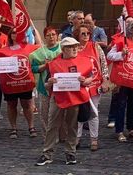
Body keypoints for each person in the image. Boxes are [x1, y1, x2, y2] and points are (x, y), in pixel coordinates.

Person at [35, 37, 94, 166]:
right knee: (52, 126)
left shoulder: (84, 61)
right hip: (58, 98)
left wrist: (86, 81)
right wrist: (49, 83)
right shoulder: (54, 63)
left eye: (76, 46)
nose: (74, 49)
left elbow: (91, 78)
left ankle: (70, 152)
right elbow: (46, 85)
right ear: (64, 49)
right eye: (71, 47)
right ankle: (47, 153)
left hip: (75, 98)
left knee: (72, 126)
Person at [107, 20, 133, 142]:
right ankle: (119, 130)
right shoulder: (121, 42)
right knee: (121, 105)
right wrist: (121, 54)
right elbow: (110, 55)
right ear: (130, 29)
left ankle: (131, 129)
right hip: (122, 78)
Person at [0, 28, 37, 139]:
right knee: (11, 105)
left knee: (27, 105)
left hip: (25, 82)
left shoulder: (27, 47)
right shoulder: (3, 50)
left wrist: (35, 30)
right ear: (10, 35)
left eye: (18, 33)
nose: (15, 34)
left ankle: (31, 126)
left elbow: (40, 46)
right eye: (13, 32)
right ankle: (13, 128)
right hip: (10, 83)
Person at [75, 25, 108, 151]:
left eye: (88, 33)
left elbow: (103, 64)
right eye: (83, 33)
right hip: (79, 85)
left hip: (94, 84)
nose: (86, 35)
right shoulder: (74, 48)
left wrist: (105, 80)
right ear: (77, 34)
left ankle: (94, 139)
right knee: (78, 112)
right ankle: (77, 138)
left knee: (93, 112)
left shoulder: (95, 46)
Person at [30, 26, 61, 132]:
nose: (51, 37)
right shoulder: (39, 53)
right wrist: (44, 66)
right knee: (45, 112)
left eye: (53, 34)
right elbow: (33, 68)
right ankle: (48, 135)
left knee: (62, 112)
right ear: (44, 37)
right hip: (44, 87)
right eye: (48, 35)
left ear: (57, 36)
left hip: (62, 86)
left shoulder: (64, 48)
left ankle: (63, 135)